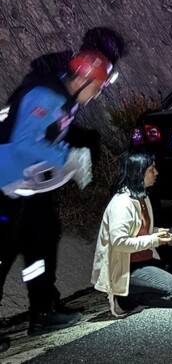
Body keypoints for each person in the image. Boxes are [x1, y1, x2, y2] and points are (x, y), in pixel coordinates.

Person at [0, 28, 123, 346]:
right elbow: (25, 143)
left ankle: (43, 311)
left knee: (41, 240)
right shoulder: (44, 95)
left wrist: (74, 154)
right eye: (97, 87)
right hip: (4, 184)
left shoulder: (65, 98)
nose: (97, 94)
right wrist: (67, 157)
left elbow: (52, 133)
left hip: (26, 185)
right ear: (82, 79)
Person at [91, 153, 172, 317]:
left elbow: (138, 231)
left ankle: (143, 292)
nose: (156, 173)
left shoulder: (142, 197)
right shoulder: (121, 203)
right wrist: (154, 239)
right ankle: (128, 297)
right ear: (138, 172)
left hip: (146, 260)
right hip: (127, 267)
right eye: (151, 169)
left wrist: (157, 232)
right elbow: (119, 242)